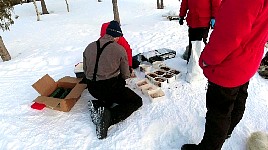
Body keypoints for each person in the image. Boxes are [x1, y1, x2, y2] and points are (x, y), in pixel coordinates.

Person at [181, 0, 268, 149]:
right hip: (248, 60)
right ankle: (226, 130)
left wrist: (207, 59)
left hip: (229, 65)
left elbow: (229, 35)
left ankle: (210, 145)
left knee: (219, 111)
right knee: (238, 98)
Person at [83, 20, 143, 139]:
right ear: (116, 36)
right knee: (136, 101)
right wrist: (126, 72)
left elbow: (85, 70)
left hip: (92, 88)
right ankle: (108, 119)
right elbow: (125, 75)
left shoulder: (89, 46)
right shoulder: (119, 49)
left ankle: (99, 104)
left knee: (110, 99)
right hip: (109, 88)